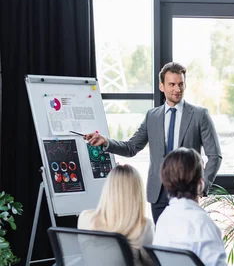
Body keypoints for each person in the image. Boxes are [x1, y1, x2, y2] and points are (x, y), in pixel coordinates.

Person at [85, 62, 222, 223]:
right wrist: (106, 142)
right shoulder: (152, 116)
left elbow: (215, 156)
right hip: (158, 194)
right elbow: (131, 148)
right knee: (162, 242)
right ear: (161, 86)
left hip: (187, 192)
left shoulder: (199, 115)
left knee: (184, 241)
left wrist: (201, 187)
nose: (177, 89)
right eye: (171, 84)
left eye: (180, 84)